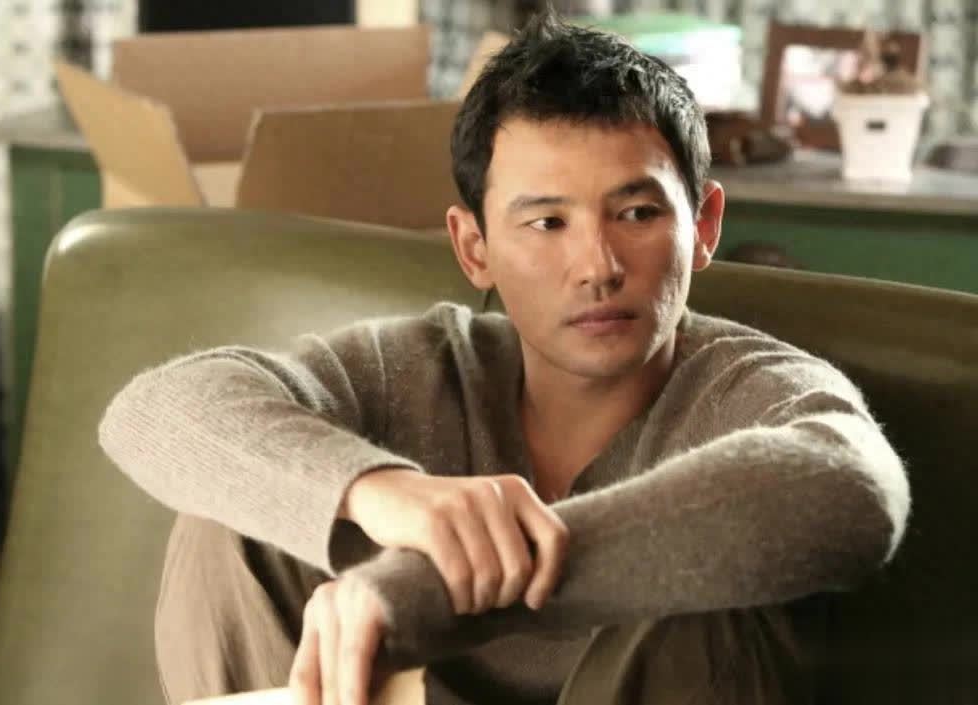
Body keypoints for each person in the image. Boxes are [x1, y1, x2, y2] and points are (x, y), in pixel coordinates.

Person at [99, 11, 910, 705]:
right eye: (547, 223)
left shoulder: (751, 385)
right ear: (474, 246)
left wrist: (441, 590)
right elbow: (153, 409)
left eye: (635, 212)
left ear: (703, 226)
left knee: (717, 589)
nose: (597, 265)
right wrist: (383, 493)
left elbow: (853, 490)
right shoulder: (421, 367)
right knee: (229, 519)